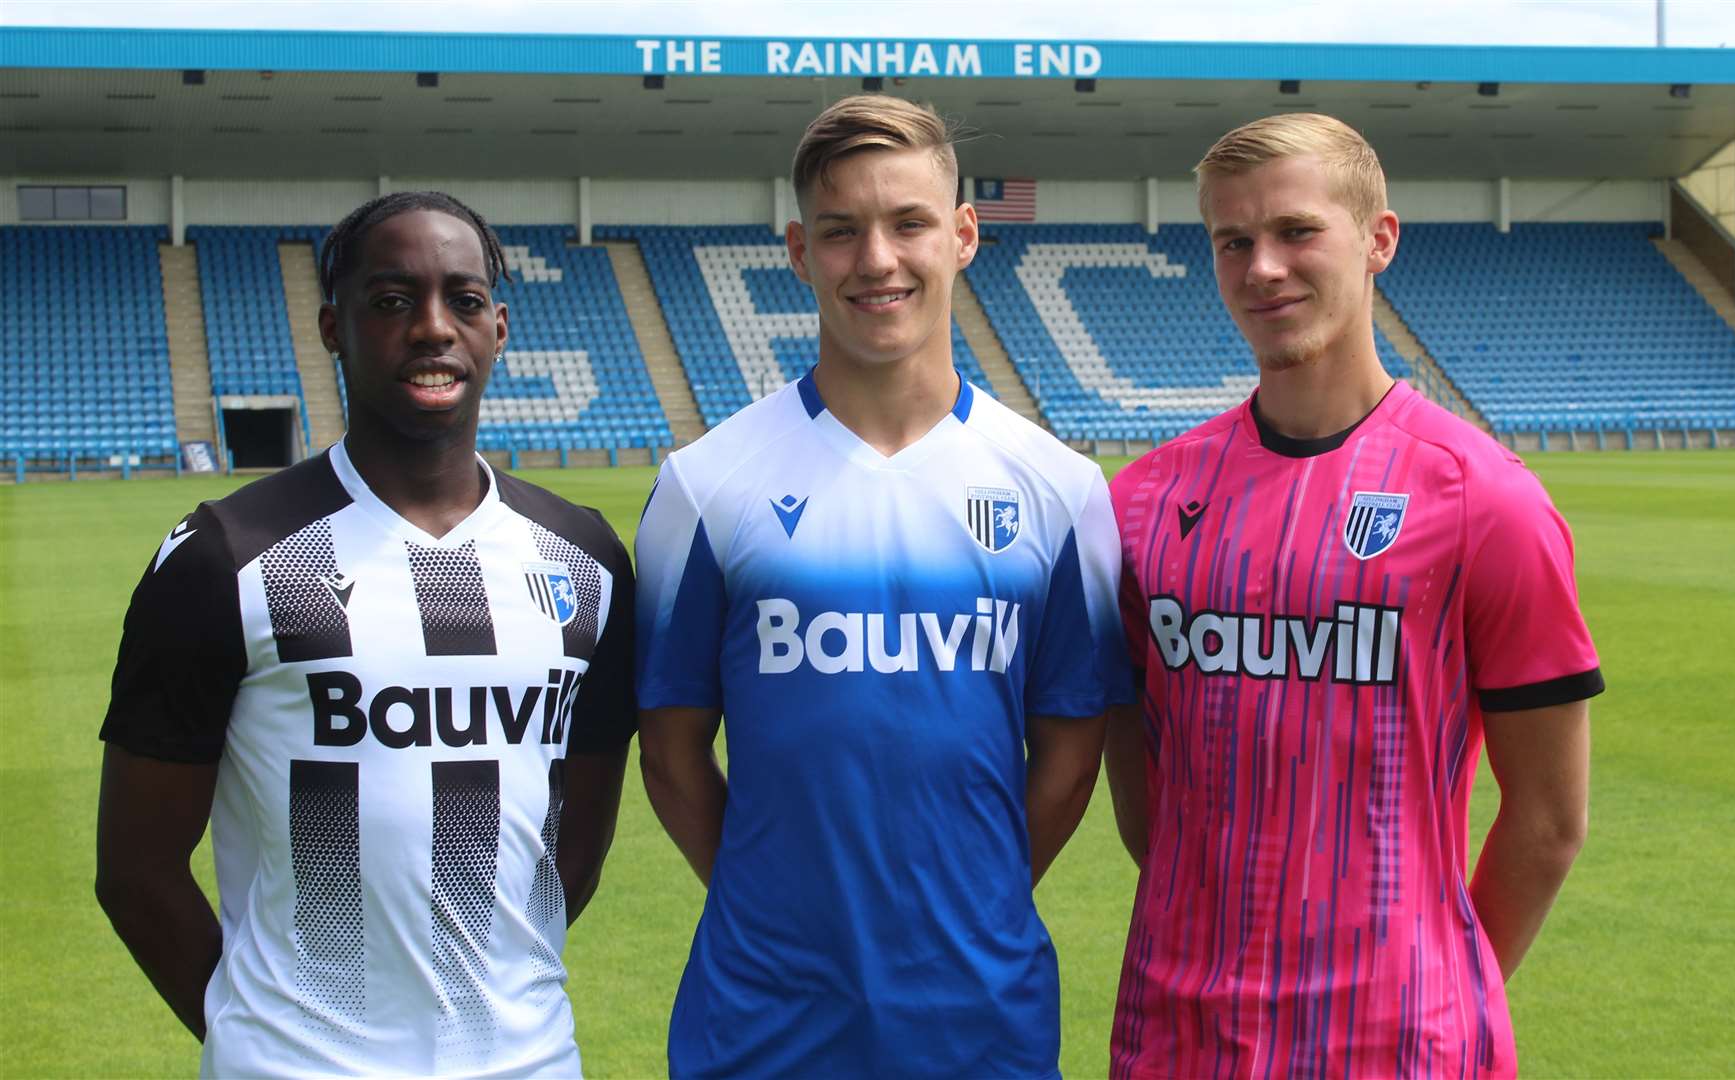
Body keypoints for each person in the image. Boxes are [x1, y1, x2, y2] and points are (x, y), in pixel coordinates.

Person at [635, 95, 1129, 1078]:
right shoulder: (704, 485)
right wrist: (769, 899)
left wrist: (970, 900)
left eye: (907, 223)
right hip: (762, 1013)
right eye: (839, 231)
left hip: (978, 1013)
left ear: (963, 234)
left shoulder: (1061, 493)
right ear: (797, 250)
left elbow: (1072, 755)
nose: (876, 259)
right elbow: (671, 753)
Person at [1103, 114, 1603, 1079]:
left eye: (1296, 232)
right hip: (1177, 1032)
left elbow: (1547, 820)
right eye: (1232, 241)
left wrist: (1439, 982)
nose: (1262, 268)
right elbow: (1143, 787)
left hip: (1401, 1040)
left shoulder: (1482, 497)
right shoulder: (1144, 501)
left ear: (1377, 241)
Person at [95, 191, 637, 1077]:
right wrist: (263, 1038)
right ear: (332, 328)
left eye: (463, 300)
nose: (432, 328)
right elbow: (135, 870)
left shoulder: (584, 558)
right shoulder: (227, 556)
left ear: (498, 327)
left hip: (531, 1062)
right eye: (390, 301)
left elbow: (572, 848)